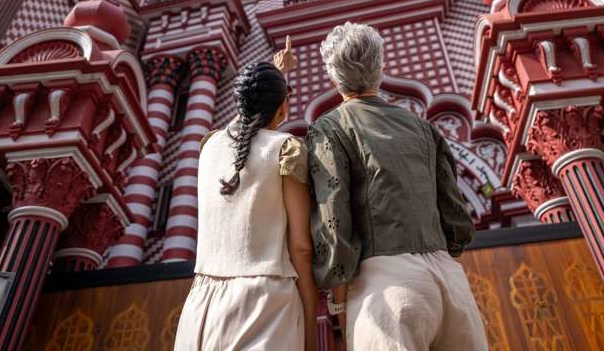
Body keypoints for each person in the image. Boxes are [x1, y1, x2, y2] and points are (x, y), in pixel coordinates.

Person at [307, 22, 488, 351]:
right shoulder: (422, 126)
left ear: (332, 78)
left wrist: (338, 298)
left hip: (385, 284)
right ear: (380, 68)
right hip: (450, 283)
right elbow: (455, 211)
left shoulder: (330, 127)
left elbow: (334, 217)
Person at [174, 38, 318, 351]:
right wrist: (310, 321)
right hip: (265, 304)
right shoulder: (286, 149)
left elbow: (239, 129)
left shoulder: (208, 146)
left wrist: (276, 75)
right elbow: (301, 248)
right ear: (283, 108)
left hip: (199, 309)